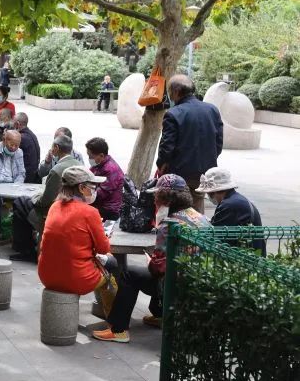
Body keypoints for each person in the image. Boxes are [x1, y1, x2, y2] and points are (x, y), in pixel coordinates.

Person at [93, 174, 211, 343]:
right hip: (200, 281)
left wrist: (151, 263)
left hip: (175, 285)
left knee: (129, 274)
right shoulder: (202, 218)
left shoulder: (169, 224)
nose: (154, 200)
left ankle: (118, 329)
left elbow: (158, 269)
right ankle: (160, 316)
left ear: (165, 199)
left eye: (156, 196)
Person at [38, 166, 111, 302]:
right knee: (112, 268)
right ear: (82, 188)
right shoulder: (90, 212)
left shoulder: (54, 206)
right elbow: (103, 249)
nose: (95, 190)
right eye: (93, 186)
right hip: (77, 279)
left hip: (46, 276)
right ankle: (113, 315)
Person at [156, 74, 223, 213]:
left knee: (178, 207)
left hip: (179, 172)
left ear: (176, 91)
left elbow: (167, 146)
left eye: (170, 92)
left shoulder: (173, 113)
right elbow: (218, 142)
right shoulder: (212, 110)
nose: (170, 96)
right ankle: (197, 226)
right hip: (204, 171)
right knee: (197, 206)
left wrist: (161, 164)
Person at [11, 134, 81, 262]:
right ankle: (27, 245)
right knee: (24, 202)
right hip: (73, 209)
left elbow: (45, 201)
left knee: (20, 202)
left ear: (56, 148)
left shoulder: (57, 170)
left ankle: (24, 249)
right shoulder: (79, 165)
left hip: (52, 211)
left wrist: (35, 197)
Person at [195, 167, 265, 255]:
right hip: (253, 251)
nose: (208, 196)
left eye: (208, 193)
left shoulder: (229, 205)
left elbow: (214, 235)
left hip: (247, 255)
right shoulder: (235, 199)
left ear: (214, 191)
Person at [86, 137, 125, 221]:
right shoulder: (98, 164)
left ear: (101, 155)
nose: (89, 159)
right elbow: (88, 176)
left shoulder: (111, 170)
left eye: (91, 156)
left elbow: (101, 194)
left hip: (108, 210)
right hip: (98, 204)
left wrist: (83, 194)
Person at [14, 112, 41, 184]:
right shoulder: (32, 134)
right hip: (34, 175)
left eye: (14, 123)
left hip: (26, 178)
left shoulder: (20, 138)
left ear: (17, 124)